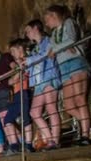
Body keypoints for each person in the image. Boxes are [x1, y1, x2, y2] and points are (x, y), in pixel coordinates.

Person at [45, 4, 91, 146]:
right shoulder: (53, 34)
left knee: (79, 99)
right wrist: (61, 48)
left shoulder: (69, 23)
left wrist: (58, 49)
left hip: (75, 62)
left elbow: (71, 39)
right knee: (69, 105)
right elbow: (54, 49)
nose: (46, 22)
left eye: (47, 18)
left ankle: (85, 136)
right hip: (63, 67)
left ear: (54, 15)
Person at [24, 19, 61, 150]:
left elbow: (47, 55)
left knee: (51, 108)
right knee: (34, 112)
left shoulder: (49, 40)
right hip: (39, 81)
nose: (27, 34)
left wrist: (28, 60)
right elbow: (33, 64)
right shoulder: (34, 50)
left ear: (35, 28)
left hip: (49, 76)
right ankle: (50, 139)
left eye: (28, 31)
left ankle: (54, 141)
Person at [3, 39, 34, 153]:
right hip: (16, 94)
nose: (12, 54)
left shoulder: (25, 61)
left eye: (13, 51)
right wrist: (16, 75)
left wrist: (16, 75)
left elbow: (21, 76)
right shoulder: (16, 65)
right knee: (7, 119)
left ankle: (29, 144)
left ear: (20, 49)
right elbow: (10, 81)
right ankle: (15, 144)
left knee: (26, 118)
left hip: (24, 91)